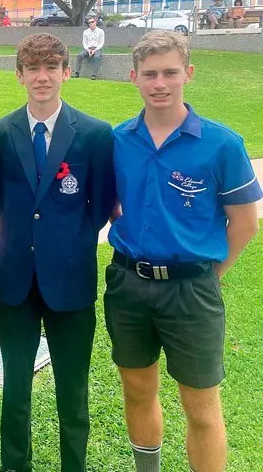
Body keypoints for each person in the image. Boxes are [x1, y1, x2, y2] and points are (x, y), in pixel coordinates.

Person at [107, 31, 261, 472]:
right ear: (133, 77)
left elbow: (245, 222)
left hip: (191, 290)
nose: (160, 83)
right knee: (137, 390)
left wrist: (211, 275)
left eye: (170, 73)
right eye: (150, 74)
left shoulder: (221, 144)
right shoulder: (118, 141)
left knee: (201, 406)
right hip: (127, 285)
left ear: (188, 75)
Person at [0, 33, 115, 472]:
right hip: (15, 278)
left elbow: (97, 207)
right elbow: (2, 199)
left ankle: (73, 465)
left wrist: (64, 242)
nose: (42, 77)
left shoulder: (95, 134)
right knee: (15, 384)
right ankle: (13, 464)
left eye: (51, 67)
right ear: (19, 74)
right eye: (33, 68)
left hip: (71, 278)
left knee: (72, 388)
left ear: (67, 71)